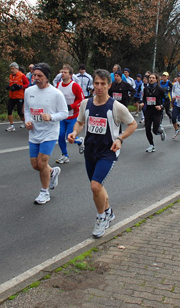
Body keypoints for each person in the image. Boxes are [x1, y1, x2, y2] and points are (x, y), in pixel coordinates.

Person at [68, 69, 137, 238]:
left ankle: (101, 219)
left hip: (108, 151)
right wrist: (75, 133)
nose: (99, 87)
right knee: (97, 186)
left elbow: (133, 124)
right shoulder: (86, 103)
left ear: (109, 85)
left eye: (103, 84)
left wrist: (120, 138)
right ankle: (109, 211)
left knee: (95, 186)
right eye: (96, 83)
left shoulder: (116, 107)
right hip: (90, 150)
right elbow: (80, 122)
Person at [24, 63, 68, 204]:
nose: (36, 78)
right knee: (35, 165)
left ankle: (44, 192)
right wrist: (27, 121)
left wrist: (51, 117)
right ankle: (52, 172)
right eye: (34, 75)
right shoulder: (29, 91)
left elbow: (64, 113)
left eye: (39, 76)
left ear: (47, 77)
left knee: (42, 163)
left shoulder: (56, 93)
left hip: (49, 132)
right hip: (34, 132)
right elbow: (26, 110)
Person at [54, 64, 84, 163]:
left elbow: (81, 99)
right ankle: (65, 155)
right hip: (62, 116)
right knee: (60, 135)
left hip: (73, 116)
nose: (62, 74)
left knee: (70, 137)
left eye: (65, 72)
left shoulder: (75, 86)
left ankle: (80, 141)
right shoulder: (58, 85)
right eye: (61, 72)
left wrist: (72, 106)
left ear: (70, 75)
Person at [142, 73, 166, 152]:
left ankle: (161, 132)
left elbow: (166, 100)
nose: (151, 79)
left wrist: (161, 106)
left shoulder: (160, 89)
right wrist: (142, 103)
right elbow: (144, 99)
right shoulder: (146, 89)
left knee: (155, 130)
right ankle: (151, 145)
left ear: (156, 79)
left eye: (153, 78)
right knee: (147, 128)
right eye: (150, 78)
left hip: (157, 112)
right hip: (148, 111)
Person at [6, 62, 29, 131]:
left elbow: (27, 84)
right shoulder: (11, 76)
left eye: (13, 69)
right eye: (11, 69)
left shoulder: (22, 75)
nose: (11, 70)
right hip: (12, 96)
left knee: (20, 112)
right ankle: (12, 125)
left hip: (19, 96)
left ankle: (26, 122)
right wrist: (9, 87)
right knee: (9, 110)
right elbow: (11, 84)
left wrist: (21, 86)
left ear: (17, 68)